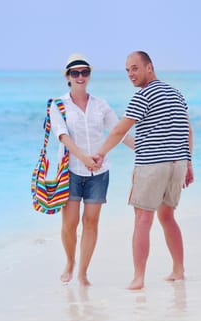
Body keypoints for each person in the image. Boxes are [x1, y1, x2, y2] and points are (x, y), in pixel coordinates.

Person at [94, 51, 194, 290]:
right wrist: (189, 163)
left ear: (149, 67)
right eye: (127, 69)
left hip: (152, 166)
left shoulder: (143, 96)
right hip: (176, 164)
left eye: (135, 68)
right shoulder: (176, 93)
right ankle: (178, 271)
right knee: (167, 217)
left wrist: (101, 153)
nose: (131, 74)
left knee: (142, 219)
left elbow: (119, 131)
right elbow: (187, 129)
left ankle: (138, 278)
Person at [49, 53, 134, 286]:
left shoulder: (100, 105)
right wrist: (84, 158)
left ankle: (83, 272)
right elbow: (63, 137)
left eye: (84, 72)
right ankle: (69, 262)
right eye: (75, 73)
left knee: (91, 222)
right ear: (67, 76)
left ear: (89, 75)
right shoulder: (58, 105)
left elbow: (119, 132)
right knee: (69, 223)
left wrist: (144, 149)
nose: (80, 76)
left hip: (99, 171)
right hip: (71, 171)